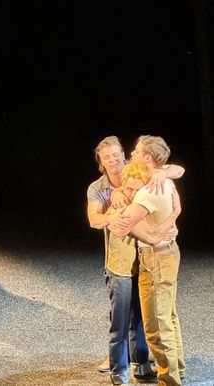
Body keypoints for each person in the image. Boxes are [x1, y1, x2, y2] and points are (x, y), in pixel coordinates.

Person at [87, 135, 184, 382]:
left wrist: (168, 217)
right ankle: (120, 368)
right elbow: (95, 219)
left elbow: (175, 169)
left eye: (119, 153)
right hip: (123, 263)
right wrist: (115, 210)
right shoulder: (102, 187)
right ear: (100, 160)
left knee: (150, 323)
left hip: (149, 259)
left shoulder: (146, 180)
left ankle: (153, 369)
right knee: (126, 319)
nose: (115, 158)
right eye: (106, 156)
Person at [105, 161, 182, 386]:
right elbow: (153, 235)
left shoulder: (143, 199)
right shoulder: (127, 206)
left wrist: (173, 216)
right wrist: (175, 213)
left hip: (156, 259)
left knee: (159, 325)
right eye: (127, 188)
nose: (131, 193)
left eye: (135, 189)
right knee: (164, 320)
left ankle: (170, 379)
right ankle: (175, 373)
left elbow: (155, 237)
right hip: (150, 258)